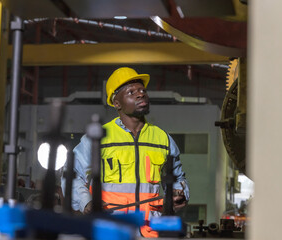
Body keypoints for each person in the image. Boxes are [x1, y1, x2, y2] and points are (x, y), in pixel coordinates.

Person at [62, 67, 189, 237]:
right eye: (131, 92)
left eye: (142, 90)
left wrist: (178, 194)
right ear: (117, 103)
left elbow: (178, 178)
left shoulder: (163, 139)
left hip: (149, 231)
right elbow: (71, 174)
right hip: (110, 229)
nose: (140, 94)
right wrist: (86, 202)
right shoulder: (98, 138)